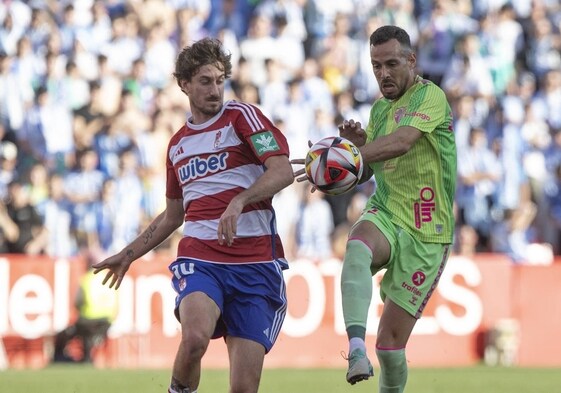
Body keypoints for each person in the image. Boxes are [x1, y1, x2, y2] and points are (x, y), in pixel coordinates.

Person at [92, 37, 294, 393]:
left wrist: (240, 200)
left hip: (256, 264)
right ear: (184, 84)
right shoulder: (177, 146)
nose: (215, 89)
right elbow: (172, 216)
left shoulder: (241, 118)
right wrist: (128, 256)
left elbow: (281, 171)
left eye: (219, 80)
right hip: (201, 257)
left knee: (243, 389)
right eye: (205, 81)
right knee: (195, 338)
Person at [294, 25, 457, 392]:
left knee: (390, 347)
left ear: (412, 60)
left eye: (391, 63)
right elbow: (367, 169)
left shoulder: (430, 96)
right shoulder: (380, 110)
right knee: (356, 247)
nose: (383, 73)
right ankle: (354, 348)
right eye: (375, 66)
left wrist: (342, 157)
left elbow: (401, 143)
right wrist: (352, 153)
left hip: (427, 233)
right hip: (387, 210)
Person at [53, 253, 119, 363]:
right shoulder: (110, 278)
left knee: (72, 332)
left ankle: (61, 359)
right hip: (106, 322)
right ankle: (87, 357)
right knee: (86, 334)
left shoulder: (86, 280)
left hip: (88, 320)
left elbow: (78, 303)